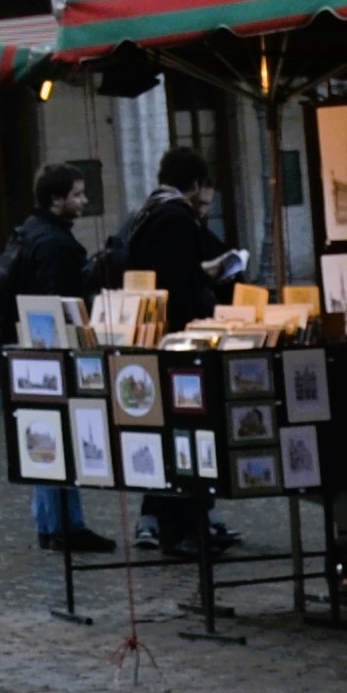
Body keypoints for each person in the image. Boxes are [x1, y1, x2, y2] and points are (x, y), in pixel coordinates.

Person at [96, 147, 245, 556]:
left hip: (152, 335)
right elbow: (179, 282)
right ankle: (184, 531)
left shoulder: (145, 213)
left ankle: (169, 524)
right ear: (195, 183)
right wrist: (211, 277)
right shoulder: (175, 217)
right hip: (179, 340)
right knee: (188, 433)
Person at [0, 164, 102, 553]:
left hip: (28, 354)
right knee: (59, 434)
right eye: (77, 195)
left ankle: (55, 523)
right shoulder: (53, 243)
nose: (83, 201)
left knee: (44, 435)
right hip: (50, 352)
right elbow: (59, 304)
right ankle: (64, 526)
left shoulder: (28, 232)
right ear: (56, 200)